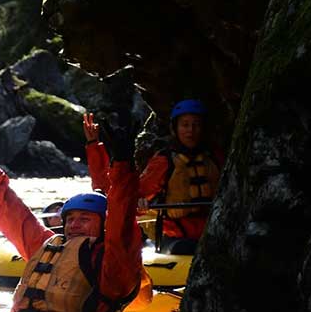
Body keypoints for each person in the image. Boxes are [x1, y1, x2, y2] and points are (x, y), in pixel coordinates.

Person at [0, 121, 151, 312]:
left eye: (84, 219)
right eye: (70, 219)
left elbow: (122, 215)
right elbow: (11, 211)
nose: (74, 225)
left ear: (105, 225)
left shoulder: (113, 260)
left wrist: (123, 164)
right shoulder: (49, 245)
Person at [85, 100, 224, 254]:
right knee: (188, 248)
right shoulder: (165, 161)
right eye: (185, 125)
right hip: (175, 238)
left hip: (214, 233)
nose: (191, 130)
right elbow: (126, 196)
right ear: (175, 128)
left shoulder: (215, 158)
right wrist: (141, 203)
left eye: (196, 125)